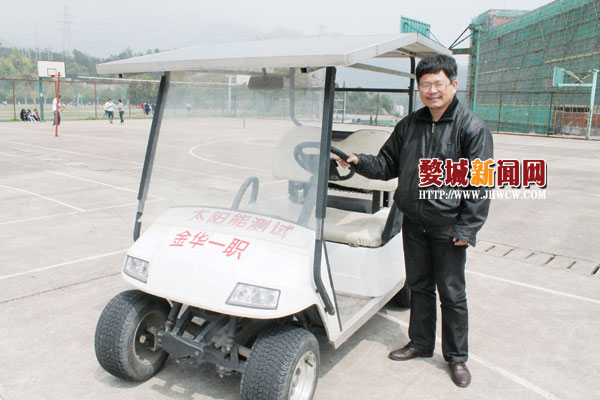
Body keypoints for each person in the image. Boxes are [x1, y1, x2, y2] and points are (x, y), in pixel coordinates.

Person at [339, 54, 493, 388]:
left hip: (449, 225)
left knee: (451, 292)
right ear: (419, 87)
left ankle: (456, 357)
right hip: (413, 221)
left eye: (439, 83)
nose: (432, 90)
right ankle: (421, 343)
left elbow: (480, 182)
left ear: (454, 84)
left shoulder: (472, 128)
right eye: (425, 84)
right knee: (419, 286)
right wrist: (359, 161)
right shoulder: (409, 125)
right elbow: (387, 164)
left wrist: (468, 227)